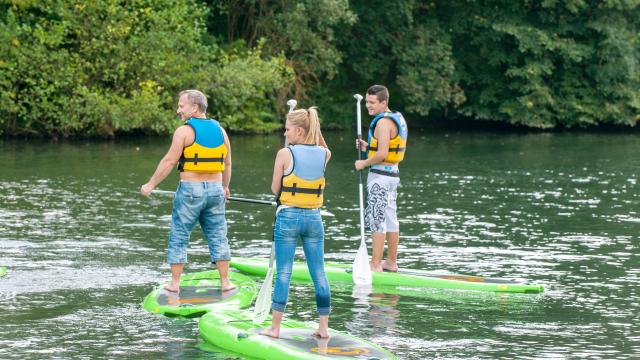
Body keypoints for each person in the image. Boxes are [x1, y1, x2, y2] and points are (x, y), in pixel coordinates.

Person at [140, 89, 235, 293]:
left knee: (180, 234)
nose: (178, 110)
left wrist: (150, 184)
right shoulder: (221, 131)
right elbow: (227, 164)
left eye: (181, 106)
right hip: (216, 190)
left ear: (195, 107)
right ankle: (225, 282)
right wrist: (225, 187)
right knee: (218, 235)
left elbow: (170, 161)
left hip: (191, 191)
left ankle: (175, 284)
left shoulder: (184, 131)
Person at [260, 107, 331, 339]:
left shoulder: (284, 154)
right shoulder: (324, 154)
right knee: (319, 273)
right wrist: (313, 124)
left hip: (288, 217)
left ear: (299, 130)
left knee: (284, 273)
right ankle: (323, 329)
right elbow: (321, 142)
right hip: (314, 219)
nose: (285, 133)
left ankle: (275, 328)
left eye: (288, 129)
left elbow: (274, 189)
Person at [355, 85, 408, 272]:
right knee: (390, 218)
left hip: (380, 178)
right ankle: (391, 262)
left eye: (372, 102)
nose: (368, 106)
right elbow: (383, 151)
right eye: (367, 102)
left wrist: (364, 163)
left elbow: (383, 153)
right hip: (392, 175)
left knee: (377, 220)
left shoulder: (383, 123)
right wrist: (367, 148)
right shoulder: (395, 118)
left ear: (383, 103)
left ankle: (375, 264)